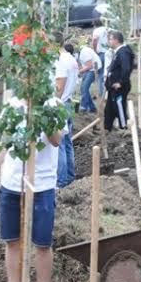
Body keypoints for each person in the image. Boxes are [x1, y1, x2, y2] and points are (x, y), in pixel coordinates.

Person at [0, 99, 67, 282]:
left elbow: (57, 139)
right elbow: (6, 141)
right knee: (11, 240)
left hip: (41, 184)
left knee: (42, 242)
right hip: (11, 183)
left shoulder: (54, 105)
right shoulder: (11, 105)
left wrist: (42, 115)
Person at [55, 41, 79, 188]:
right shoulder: (71, 59)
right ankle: (70, 175)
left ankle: (62, 180)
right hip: (68, 102)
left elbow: (60, 85)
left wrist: (54, 103)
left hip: (61, 103)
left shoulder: (62, 61)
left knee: (60, 144)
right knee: (68, 142)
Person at [103, 30, 134, 131]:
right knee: (110, 109)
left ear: (116, 40)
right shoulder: (118, 52)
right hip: (112, 87)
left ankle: (123, 127)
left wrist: (120, 82)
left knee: (119, 106)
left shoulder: (123, 53)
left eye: (110, 39)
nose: (109, 41)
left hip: (119, 87)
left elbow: (126, 68)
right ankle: (107, 128)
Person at [77, 37, 100, 113]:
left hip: (93, 70)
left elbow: (89, 65)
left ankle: (84, 107)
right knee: (83, 88)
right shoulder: (82, 52)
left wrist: (79, 72)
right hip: (90, 69)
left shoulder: (84, 52)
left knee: (84, 88)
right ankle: (92, 107)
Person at [91, 19, 110, 97]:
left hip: (101, 53)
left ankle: (102, 93)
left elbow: (95, 39)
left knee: (101, 74)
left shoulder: (96, 31)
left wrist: (94, 50)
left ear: (94, 25)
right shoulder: (107, 29)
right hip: (109, 53)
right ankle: (107, 93)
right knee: (107, 73)